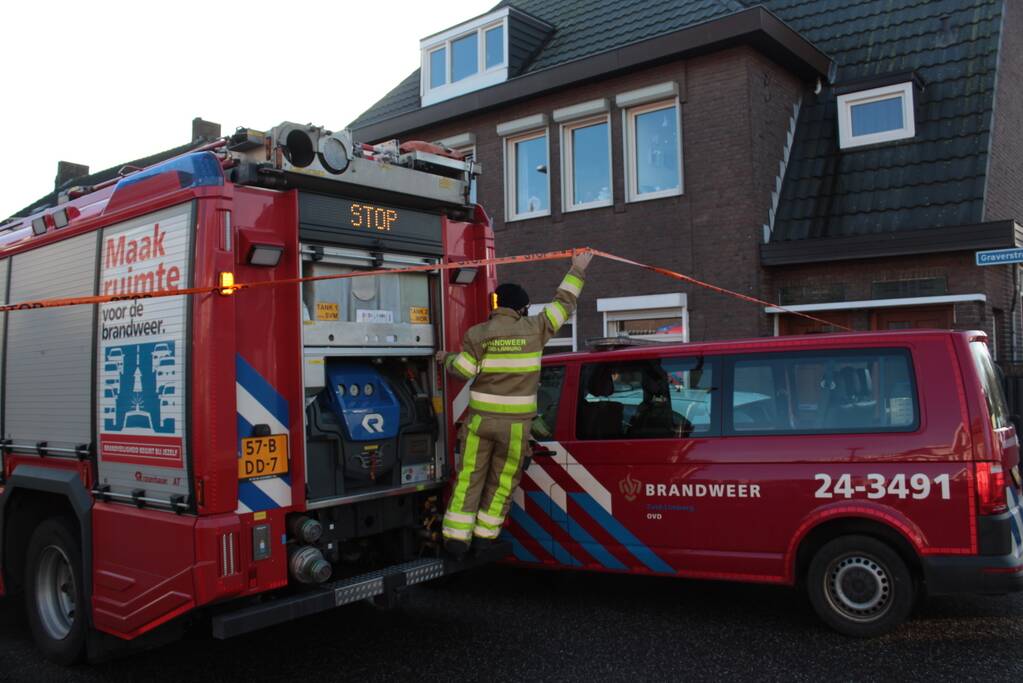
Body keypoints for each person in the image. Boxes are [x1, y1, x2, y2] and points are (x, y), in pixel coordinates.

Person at [436, 252, 592, 556]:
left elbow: (463, 371)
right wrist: (577, 269)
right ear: (523, 308)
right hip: (516, 428)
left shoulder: (478, 334)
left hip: (481, 424)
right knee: (502, 481)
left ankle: (456, 539)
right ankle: (485, 538)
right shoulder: (535, 329)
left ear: (497, 305)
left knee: (470, 477)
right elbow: (564, 304)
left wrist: (446, 358)